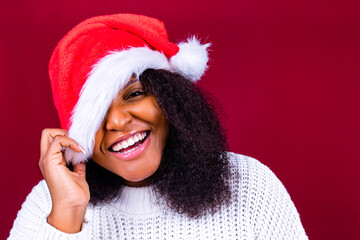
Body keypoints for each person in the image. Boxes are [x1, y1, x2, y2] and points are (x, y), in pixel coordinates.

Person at [8, 13, 308, 239]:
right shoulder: (49, 202)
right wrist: (67, 216)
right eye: (95, 113)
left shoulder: (248, 186)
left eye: (134, 94)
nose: (116, 121)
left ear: (172, 98)